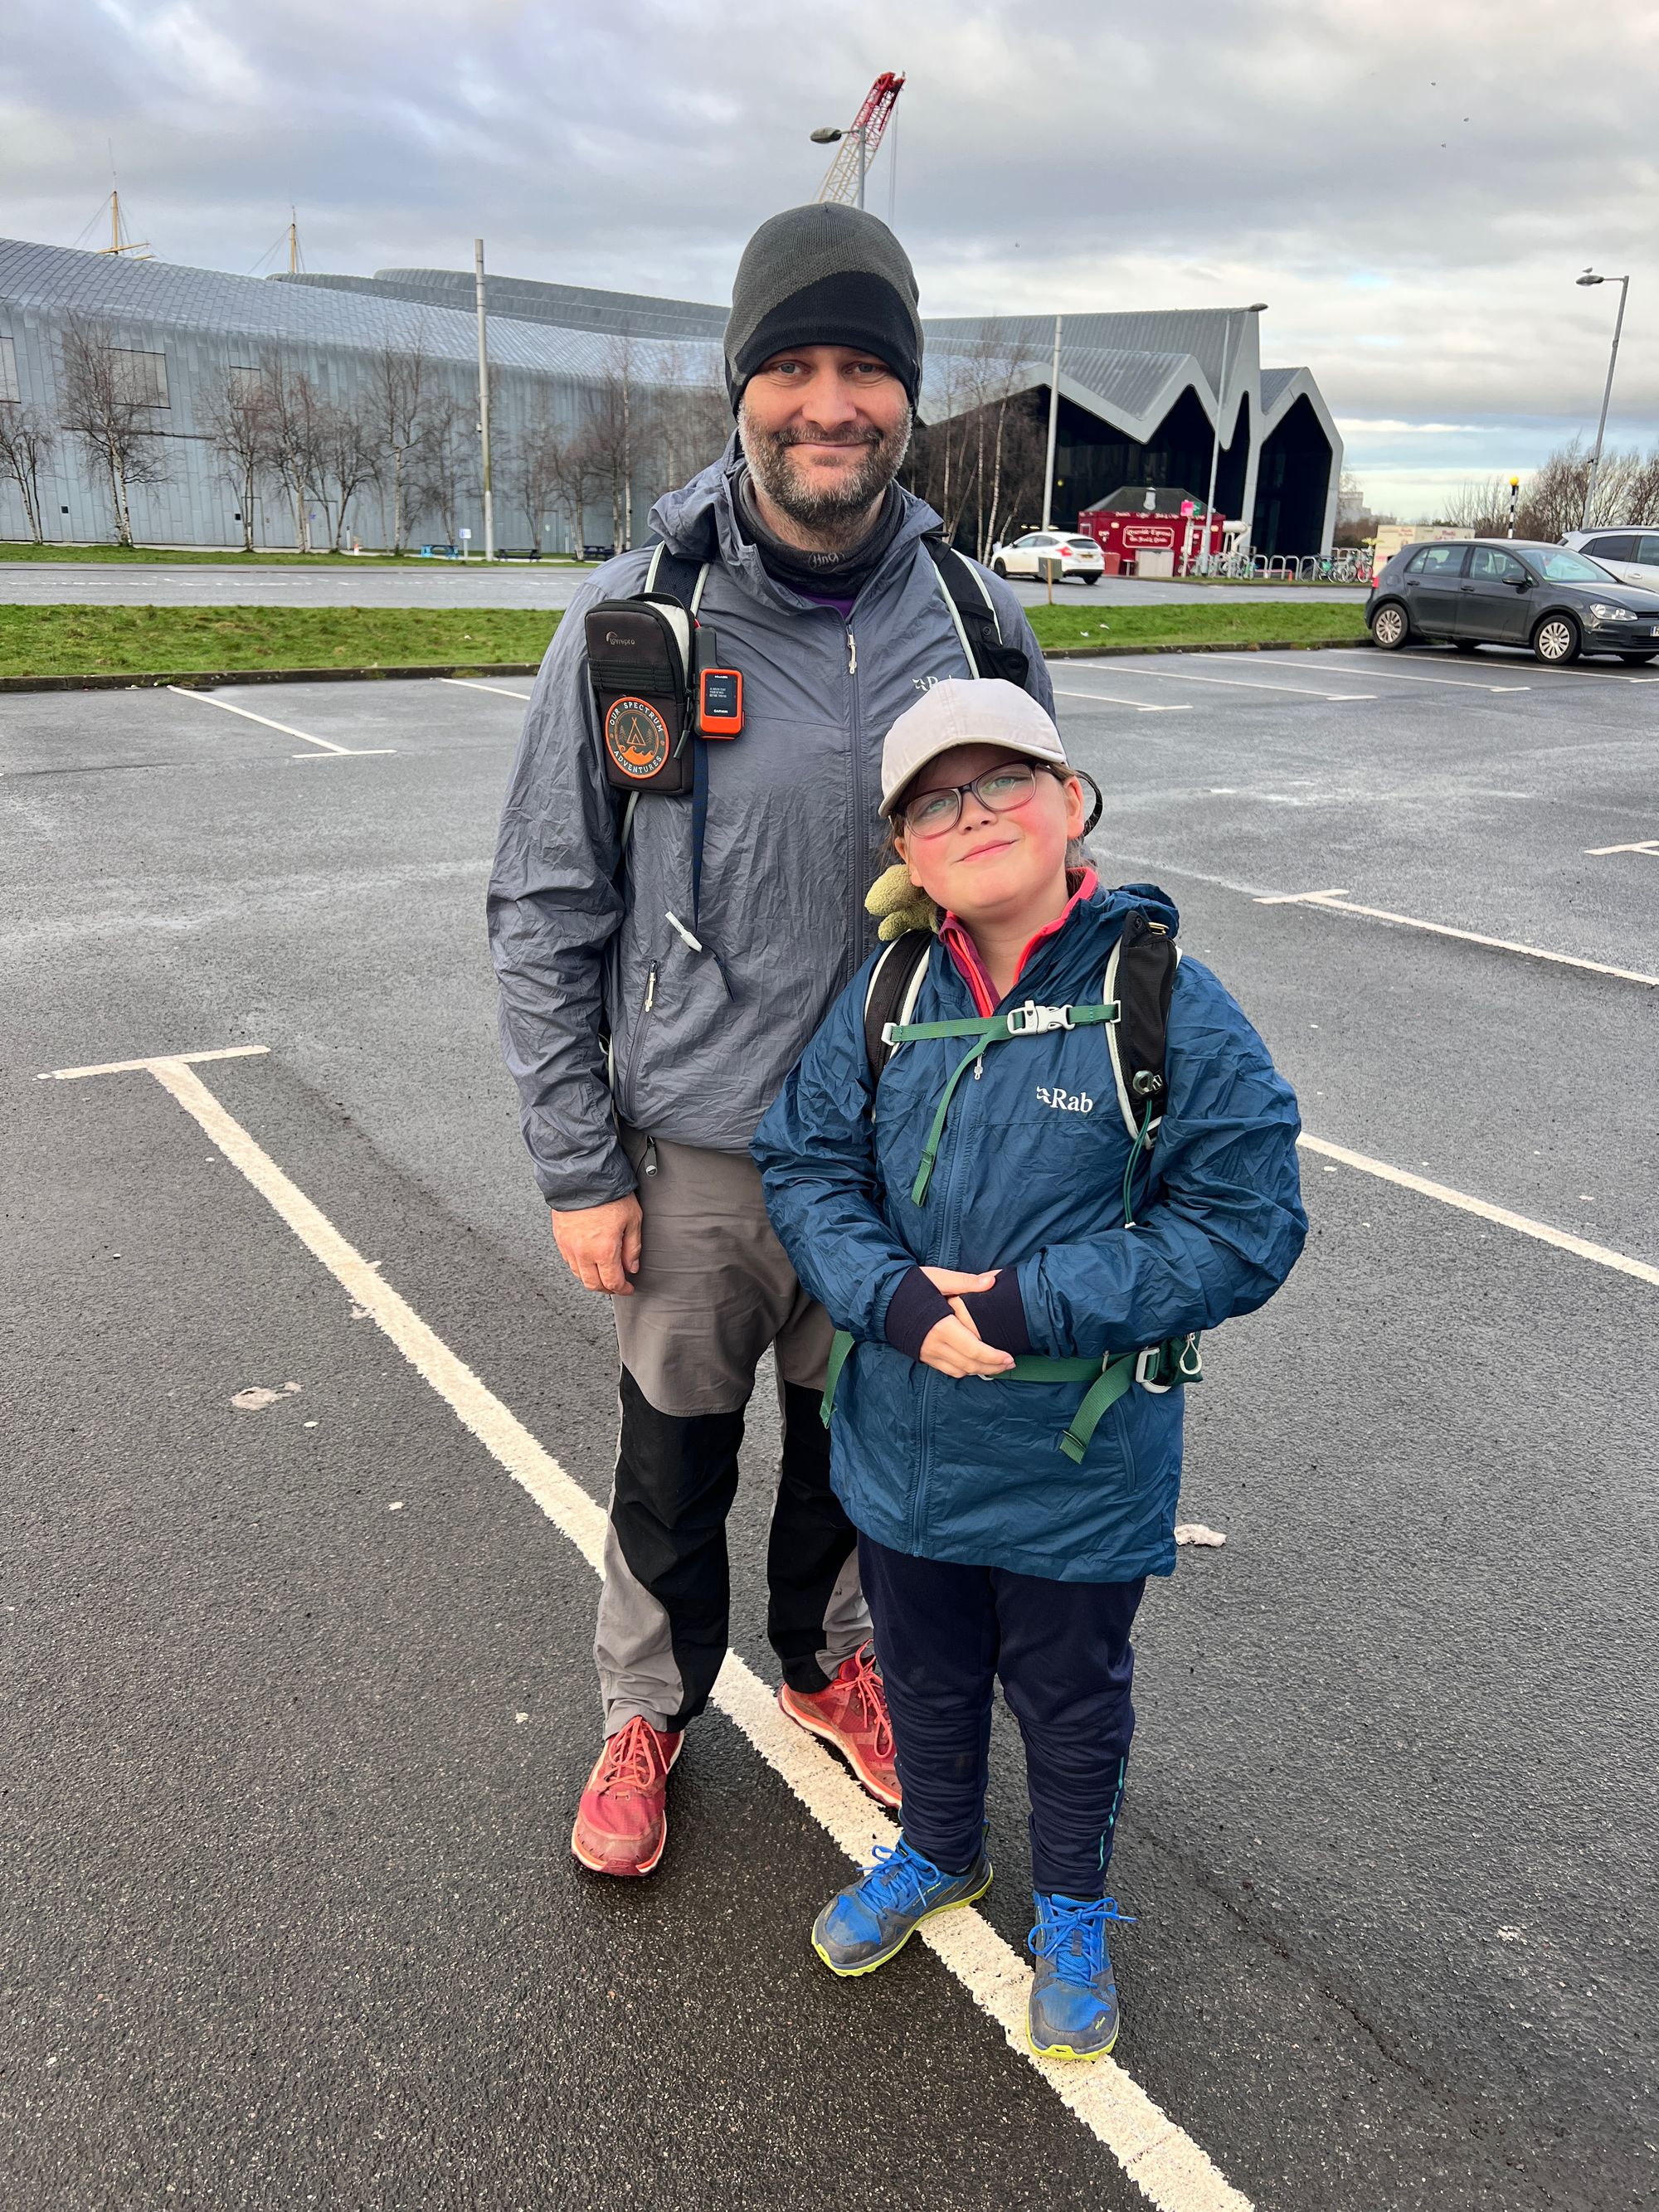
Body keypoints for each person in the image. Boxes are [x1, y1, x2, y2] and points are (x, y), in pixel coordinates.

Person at [487, 205, 1053, 1879]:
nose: (830, 403)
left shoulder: (971, 614)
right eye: (793, 365)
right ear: (740, 389)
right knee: (673, 1455)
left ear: (907, 397)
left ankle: (821, 1666)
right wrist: (579, 1162)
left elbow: (1034, 879)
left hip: (903, 1164)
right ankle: (645, 1712)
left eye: (864, 367)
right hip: (701, 1158)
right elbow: (541, 904)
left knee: (858, 1456)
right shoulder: (637, 616)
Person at [752, 678, 1306, 2055]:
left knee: (1067, 1700)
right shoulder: (886, 989)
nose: (976, 811)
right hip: (898, 1444)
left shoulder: (1157, 995)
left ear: (1074, 804)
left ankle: (1071, 1908)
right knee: (924, 1677)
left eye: (1009, 780)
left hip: (1078, 1465)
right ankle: (942, 1848)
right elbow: (805, 1159)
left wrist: (1023, 1303)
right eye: (938, 797)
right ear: (904, 847)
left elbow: (1246, 1225)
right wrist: (882, 1297)